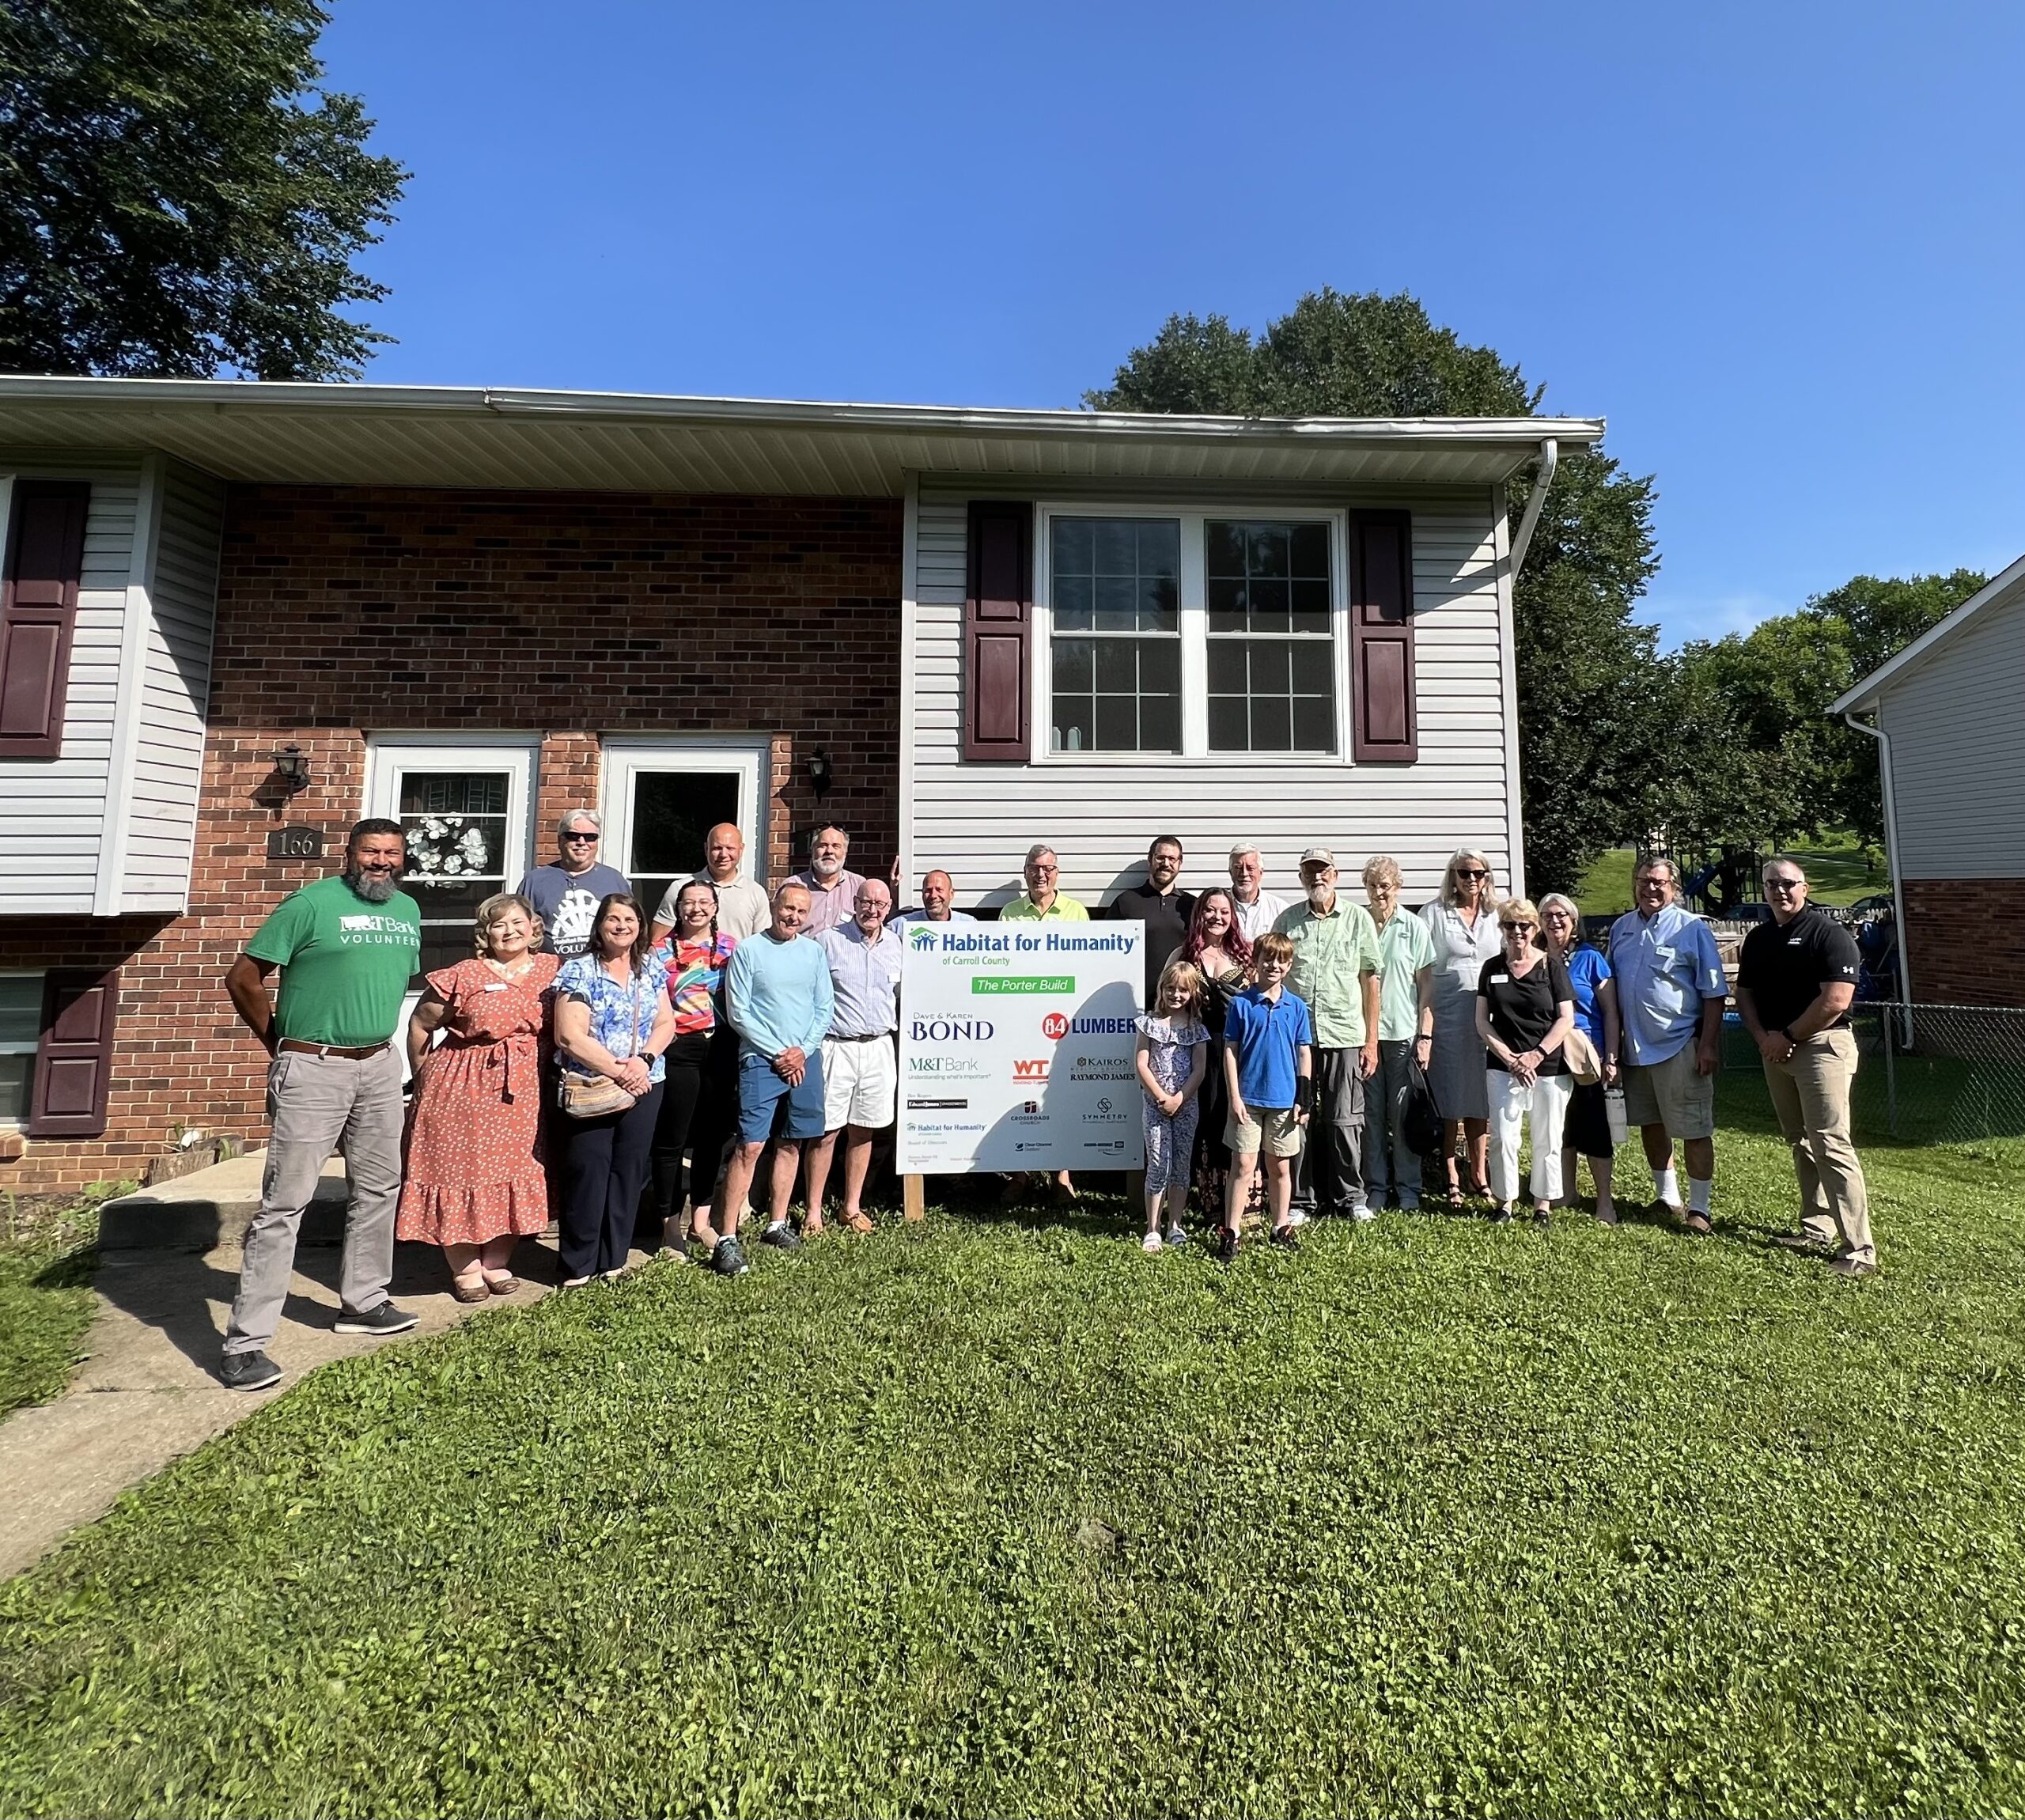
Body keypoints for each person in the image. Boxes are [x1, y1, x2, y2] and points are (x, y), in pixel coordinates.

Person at [218, 818, 422, 1391]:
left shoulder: (407, 912)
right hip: (314, 1065)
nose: (381, 862)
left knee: (379, 1187)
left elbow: (386, 981)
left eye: (391, 854)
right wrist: (280, 1041)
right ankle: (246, 1343)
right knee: (285, 1203)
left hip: (380, 1065)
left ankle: (363, 1301)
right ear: (350, 854)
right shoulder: (308, 904)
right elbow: (243, 978)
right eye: (371, 852)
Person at [396, 892, 559, 1300]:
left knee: (517, 1171)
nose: (510, 931)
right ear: (485, 933)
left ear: (534, 928)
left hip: (526, 1092)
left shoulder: (552, 971)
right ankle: (464, 1267)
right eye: (499, 924)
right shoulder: (464, 974)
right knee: (459, 1172)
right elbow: (420, 1023)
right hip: (462, 1090)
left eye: (518, 922)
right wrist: (424, 1076)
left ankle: (496, 1262)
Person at [1735, 857, 1874, 1275]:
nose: (1780, 891)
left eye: (1789, 883)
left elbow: (1836, 1000)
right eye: (1772, 884)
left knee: (1831, 1143)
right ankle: (1816, 1226)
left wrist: (1788, 1037)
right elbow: (1744, 995)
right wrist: (1764, 1039)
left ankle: (1859, 1250)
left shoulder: (1829, 936)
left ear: (1805, 887)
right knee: (1801, 1141)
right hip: (1776, 1050)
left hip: (1820, 1046)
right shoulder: (1758, 939)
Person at [552, 894, 676, 1286]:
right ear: (599, 926)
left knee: (628, 1172)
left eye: (630, 918)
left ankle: (613, 1259)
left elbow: (666, 1023)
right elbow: (568, 1036)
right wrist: (618, 1071)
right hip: (591, 1084)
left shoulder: (650, 966)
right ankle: (578, 1264)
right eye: (613, 919)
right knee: (588, 1171)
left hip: (646, 1082)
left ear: (641, 925)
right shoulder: (580, 971)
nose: (622, 925)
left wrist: (644, 1061)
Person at [1606, 855, 1728, 1234]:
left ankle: (1700, 1208)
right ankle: (1667, 1196)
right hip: (1635, 1047)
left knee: (1693, 1128)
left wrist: (1707, 1046)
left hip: (1679, 1046)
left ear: (1673, 887)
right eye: (1644, 881)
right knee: (1651, 1123)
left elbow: (1714, 993)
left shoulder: (1692, 929)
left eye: (1659, 882)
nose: (1650, 888)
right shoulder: (1621, 929)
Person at [717, 881, 835, 1270]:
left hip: (805, 1059)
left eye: (801, 912)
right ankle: (727, 1237)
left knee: (791, 1143)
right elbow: (739, 1013)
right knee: (749, 1147)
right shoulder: (749, 951)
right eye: (788, 909)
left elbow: (823, 1008)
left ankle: (777, 1223)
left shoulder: (814, 953)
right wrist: (779, 1053)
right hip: (761, 1060)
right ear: (774, 906)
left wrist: (802, 1051)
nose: (793, 917)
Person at [1273, 848, 1381, 1223]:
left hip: (1345, 1033)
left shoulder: (1357, 919)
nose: (1316, 877)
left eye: (1323, 871)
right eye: (1309, 872)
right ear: (1301, 877)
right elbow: (1275, 978)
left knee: (1345, 1118)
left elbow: (1370, 979)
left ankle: (1351, 1196)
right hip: (1296, 1038)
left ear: (1335, 875)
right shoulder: (1287, 920)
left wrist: (1371, 1041)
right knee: (1297, 1116)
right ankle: (1302, 1200)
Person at [645, 880, 738, 1260]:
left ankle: (701, 1220)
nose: (696, 909)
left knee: (712, 1136)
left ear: (715, 907)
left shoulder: (731, 948)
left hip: (721, 1047)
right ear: (677, 908)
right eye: (688, 903)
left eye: (704, 902)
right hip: (678, 1047)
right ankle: (669, 1227)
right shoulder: (657, 950)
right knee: (672, 1137)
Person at [804, 879, 904, 1235]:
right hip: (836, 1046)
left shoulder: (897, 946)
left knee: (864, 1131)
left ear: (888, 907)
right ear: (855, 903)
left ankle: (851, 1206)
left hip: (879, 1046)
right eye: (866, 902)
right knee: (826, 1132)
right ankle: (814, 1211)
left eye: (879, 904)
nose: (872, 910)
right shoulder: (828, 941)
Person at [1475, 898, 1576, 1225]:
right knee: (1504, 1136)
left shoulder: (1551, 967)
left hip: (1548, 1067)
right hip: (1503, 1066)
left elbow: (1566, 1019)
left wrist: (1536, 1055)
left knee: (1548, 1137)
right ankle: (1505, 1202)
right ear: (1502, 929)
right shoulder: (1492, 968)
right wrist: (1510, 1058)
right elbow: (1481, 1021)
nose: (1517, 932)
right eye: (1510, 925)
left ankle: (1542, 1206)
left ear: (1535, 929)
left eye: (1524, 926)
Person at [1219, 932, 1313, 1262]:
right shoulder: (1241, 1004)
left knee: (1280, 1167)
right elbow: (1230, 1051)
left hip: (1284, 1101)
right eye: (1267, 959)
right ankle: (1231, 1232)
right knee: (1243, 1165)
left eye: (1281, 961)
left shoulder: (1297, 1007)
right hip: (1248, 1098)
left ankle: (1280, 1226)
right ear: (1255, 962)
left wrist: (1304, 1096)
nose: (1273, 965)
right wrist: (1235, 1096)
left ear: (1288, 966)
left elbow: (1304, 1053)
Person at [1419, 848, 1503, 1206]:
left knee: (1480, 1097)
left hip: (1489, 1018)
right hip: (1447, 1016)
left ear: (1487, 877)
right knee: (1449, 1096)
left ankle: (1479, 1171)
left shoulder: (1498, 915)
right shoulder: (1434, 913)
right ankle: (1451, 1173)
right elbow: (1422, 969)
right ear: (1452, 875)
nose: (1472, 879)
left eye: (1478, 873)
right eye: (1464, 872)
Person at [1169, 888, 1252, 1218]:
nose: (1217, 917)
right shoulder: (1183, 955)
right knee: (1201, 1122)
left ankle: (1239, 1202)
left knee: (1232, 1119)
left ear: (1233, 918)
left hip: (1237, 1052)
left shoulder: (1246, 957)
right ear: (1199, 914)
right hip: (1195, 1051)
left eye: (1225, 912)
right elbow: (1165, 1002)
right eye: (1210, 910)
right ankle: (1205, 1201)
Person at [1539, 892, 1622, 1225]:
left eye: (1561, 915)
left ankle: (1605, 1200)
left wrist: (1612, 1056)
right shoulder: (1537, 959)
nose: (1554, 921)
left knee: (1595, 1127)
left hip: (1587, 1054)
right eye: (1547, 916)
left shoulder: (1591, 959)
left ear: (1574, 922)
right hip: (1549, 1054)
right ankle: (1566, 1191)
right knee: (1560, 1126)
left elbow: (1611, 1012)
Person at [1362, 857, 1436, 1213]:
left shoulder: (1414, 926)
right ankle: (1376, 1187)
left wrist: (1426, 1035)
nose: (1380, 892)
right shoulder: (1358, 923)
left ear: (1398, 887)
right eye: (1374, 885)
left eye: (1386, 886)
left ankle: (1408, 1189)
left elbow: (1426, 988)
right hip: (1364, 1035)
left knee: (1403, 1114)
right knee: (1372, 1115)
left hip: (1404, 1033)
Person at [1135, 960, 1210, 1254]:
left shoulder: (1197, 1030)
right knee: (1158, 1163)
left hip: (1186, 1105)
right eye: (1170, 989)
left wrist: (1180, 1098)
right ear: (1161, 989)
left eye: (1182, 990)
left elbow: (1199, 1069)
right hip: (1155, 1107)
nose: (1175, 995)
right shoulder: (1149, 1024)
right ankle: (1152, 1227)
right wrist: (1161, 1097)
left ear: (1192, 993)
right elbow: (1141, 1063)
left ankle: (1175, 1224)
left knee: (1180, 1165)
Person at [517, 810, 631, 961]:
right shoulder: (535, 881)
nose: (582, 842)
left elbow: (631, 927)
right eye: (573, 836)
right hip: (550, 971)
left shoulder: (614, 880)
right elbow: (518, 927)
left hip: (601, 969)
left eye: (590, 837)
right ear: (560, 840)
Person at [1109, 835, 1198, 1005]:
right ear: (1151, 860)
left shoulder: (1192, 905)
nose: (1166, 864)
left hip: (1179, 1003)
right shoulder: (1126, 902)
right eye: (1160, 858)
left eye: (1172, 859)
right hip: (1131, 1002)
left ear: (1180, 863)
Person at [652, 822, 769, 944]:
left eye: (730, 848)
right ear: (706, 849)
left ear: (741, 849)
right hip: (687, 962)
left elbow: (762, 945)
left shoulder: (755, 892)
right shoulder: (681, 889)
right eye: (717, 848)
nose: (723, 855)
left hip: (736, 963)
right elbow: (658, 941)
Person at [790, 823, 865, 936]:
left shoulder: (859, 886)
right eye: (823, 845)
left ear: (845, 852)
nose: (829, 851)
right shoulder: (793, 886)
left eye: (836, 846)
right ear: (812, 850)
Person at [1001, 845, 1090, 921]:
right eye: (1034, 869)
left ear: (1056, 873)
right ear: (1025, 872)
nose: (1040, 875)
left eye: (1047, 869)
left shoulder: (1076, 911)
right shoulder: (1009, 913)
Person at [1227, 842, 1290, 944]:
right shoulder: (1218, 907)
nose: (1244, 874)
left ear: (1261, 872)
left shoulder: (1280, 909)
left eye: (1250, 868)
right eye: (1238, 868)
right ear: (1230, 872)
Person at [895, 868, 976, 924]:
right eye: (928, 890)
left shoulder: (969, 924)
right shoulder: (902, 925)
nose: (933, 895)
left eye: (939, 889)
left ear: (951, 894)